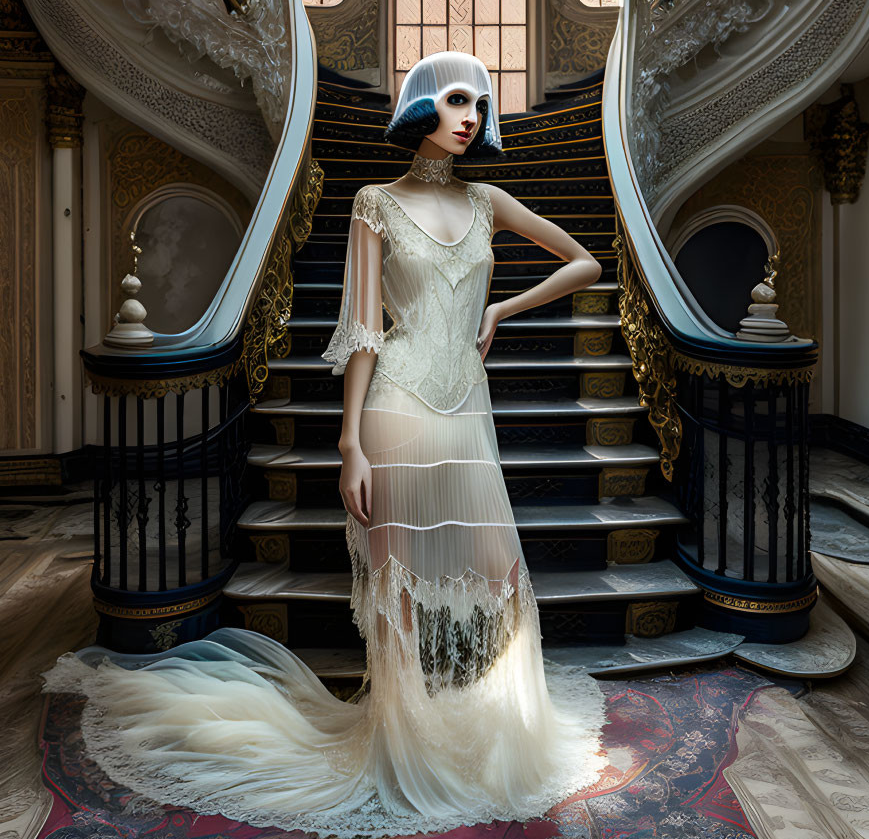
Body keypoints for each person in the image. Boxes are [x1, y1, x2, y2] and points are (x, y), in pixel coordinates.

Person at [44, 51, 607, 838]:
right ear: (419, 108)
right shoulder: (373, 202)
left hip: (465, 410)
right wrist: (350, 443)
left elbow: (585, 261)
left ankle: (488, 735)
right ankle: (405, 750)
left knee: (494, 574)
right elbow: (365, 332)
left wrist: (500, 309)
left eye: (479, 102)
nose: (470, 114)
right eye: (453, 99)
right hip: (397, 408)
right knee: (400, 586)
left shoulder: (489, 199)